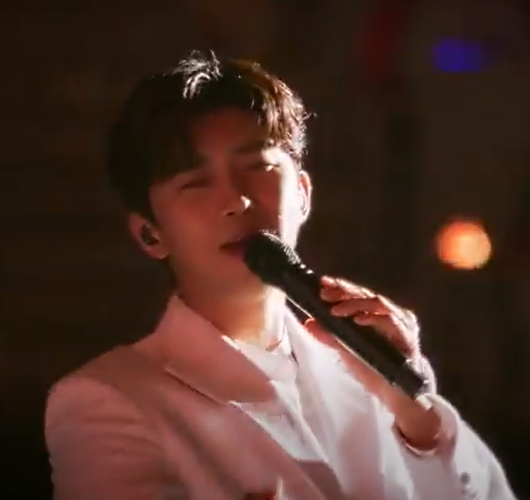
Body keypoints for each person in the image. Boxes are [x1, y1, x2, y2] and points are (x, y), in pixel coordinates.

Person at [44, 50, 516, 500]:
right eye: (195, 182)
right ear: (151, 234)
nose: (237, 200)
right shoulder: (108, 400)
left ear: (304, 194)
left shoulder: (365, 367)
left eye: (259, 167)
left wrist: (419, 416)